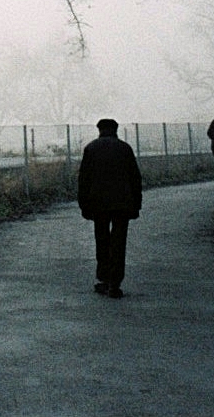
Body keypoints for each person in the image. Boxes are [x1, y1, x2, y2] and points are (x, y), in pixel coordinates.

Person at [76, 118, 143, 298]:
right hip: (122, 203)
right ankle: (115, 282)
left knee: (102, 239)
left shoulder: (91, 149)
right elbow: (135, 178)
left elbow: (84, 179)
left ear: (99, 130)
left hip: (98, 203)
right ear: (116, 130)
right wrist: (137, 204)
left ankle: (104, 278)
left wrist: (83, 204)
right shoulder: (125, 149)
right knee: (119, 242)